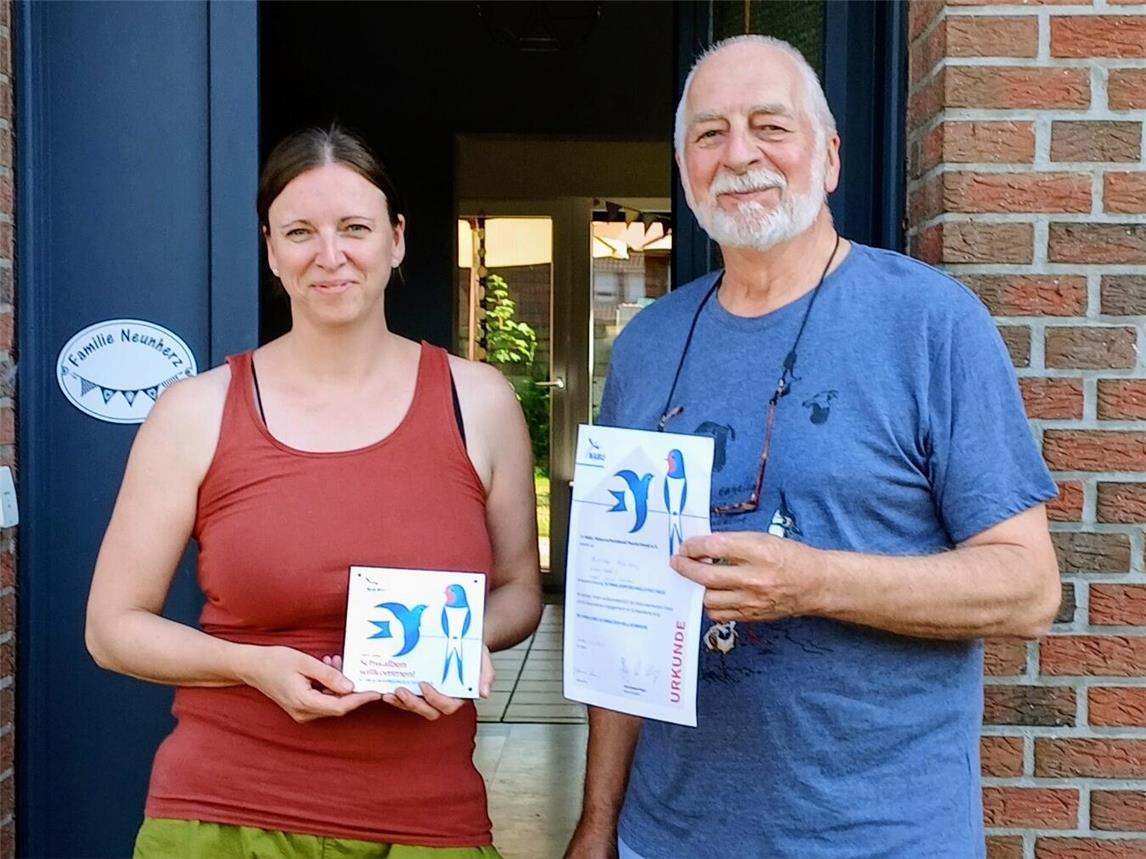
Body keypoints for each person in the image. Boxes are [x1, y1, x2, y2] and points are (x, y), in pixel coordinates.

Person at [565, 35, 1060, 859]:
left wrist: (814, 580)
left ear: (829, 157)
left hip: (881, 838)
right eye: (710, 133)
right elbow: (625, 618)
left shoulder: (930, 324)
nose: (741, 154)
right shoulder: (649, 344)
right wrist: (597, 822)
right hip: (671, 834)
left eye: (770, 126)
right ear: (686, 167)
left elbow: (1027, 588)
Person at [86, 125, 542, 858]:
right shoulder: (196, 410)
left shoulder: (479, 402)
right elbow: (111, 627)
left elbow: (521, 589)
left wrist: (458, 647)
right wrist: (251, 665)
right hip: (224, 815)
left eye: (354, 228)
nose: (330, 256)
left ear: (396, 240)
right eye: (300, 231)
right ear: (270, 250)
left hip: (427, 819)